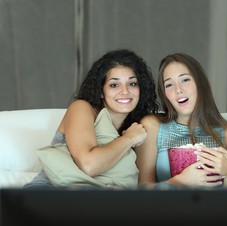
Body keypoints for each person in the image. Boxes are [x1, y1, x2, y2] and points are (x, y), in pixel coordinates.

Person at [25, 49, 158, 189]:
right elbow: (89, 165)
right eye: (114, 85)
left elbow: (142, 187)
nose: (125, 91)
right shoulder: (81, 108)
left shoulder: (139, 127)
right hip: (50, 193)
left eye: (132, 84)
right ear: (101, 91)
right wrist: (129, 139)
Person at [135, 52, 227, 189]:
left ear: (200, 83)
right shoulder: (153, 126)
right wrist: (180, 181)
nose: (178, 90)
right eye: (169, 85)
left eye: (185, 80)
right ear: (164, 94)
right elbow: (142, 189)